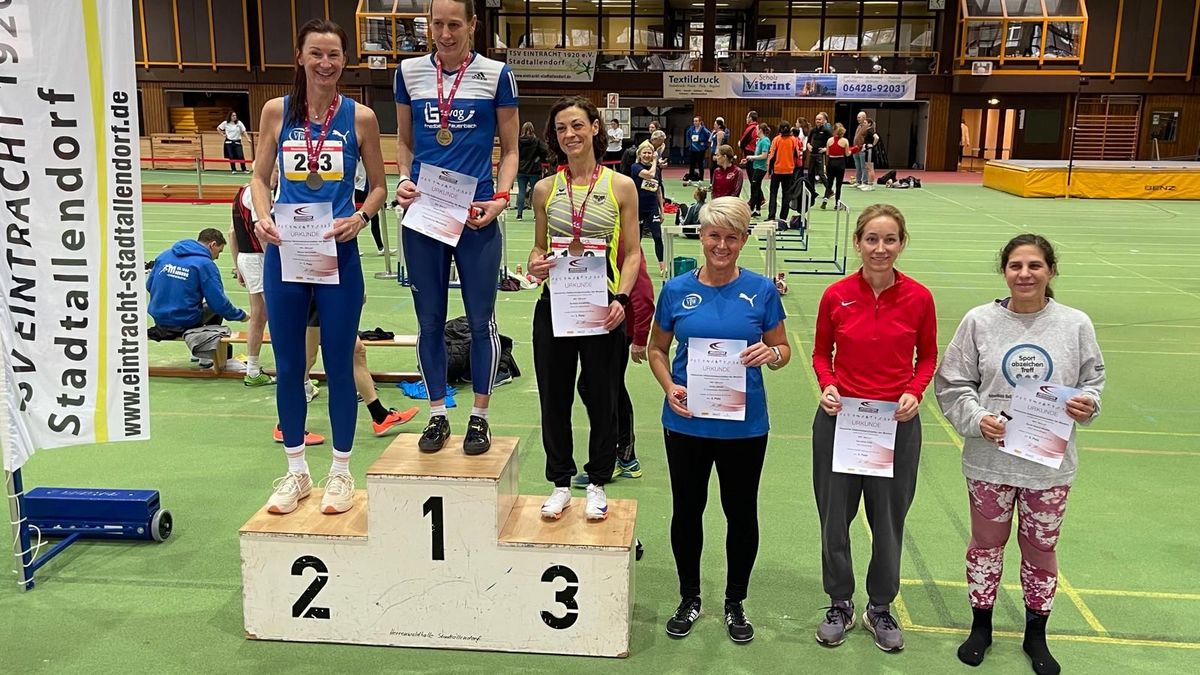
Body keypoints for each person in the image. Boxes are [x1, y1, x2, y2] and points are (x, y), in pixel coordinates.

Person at [935, 234, 1105, 675]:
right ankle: (981, 627)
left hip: (1049, 467)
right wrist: (977, 418)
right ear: (1004, 271)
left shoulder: (1075, 324)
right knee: (985, 547)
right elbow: (952, 382)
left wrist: (1088, 404)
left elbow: (1093, 382)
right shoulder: (978, 321)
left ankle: (1036, 634)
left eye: (1034, 265)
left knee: (1041, 549)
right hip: (989, 462)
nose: (1024, 274)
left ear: (1051, 270)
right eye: (1015, 265)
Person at [250, 18, 389, 516]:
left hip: (338, 254)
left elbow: (379, 186)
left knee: (339, 364)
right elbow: (260, 177)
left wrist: (361, 217)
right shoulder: (276, 111)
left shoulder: (361, 118)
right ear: (300, 57)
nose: (325, 63)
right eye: (316, 53)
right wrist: (262, 216)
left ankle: (341, 471)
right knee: (289, 366)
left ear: (344, 60)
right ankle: (296, 471)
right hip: (286, 252)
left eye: (333, 54)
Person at [647, 196, 790, 644]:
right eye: (714, 235)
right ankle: (689, 598)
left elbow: (783, 349)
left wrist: (771, 354)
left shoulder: (762, 291)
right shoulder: (675, 291)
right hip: (687, 422)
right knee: (687, 511)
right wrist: (669, 387)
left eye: (732, 237)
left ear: (744, 240)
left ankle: (735, 602)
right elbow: (656, 349)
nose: (722, 245)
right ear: (701, 236)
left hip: (744, 426)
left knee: (741, 513)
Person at [394, 0, 520, 456]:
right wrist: (403, 179)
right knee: (429, 323)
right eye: (437, 24)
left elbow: (510, 150)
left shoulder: (497, 74)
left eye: (454, 25)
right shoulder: (408, 72)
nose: (445, 34)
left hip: (476, 217)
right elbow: (405, 143)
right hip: (425, 216)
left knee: (482, 321)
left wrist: (500, 198)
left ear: (472, 24)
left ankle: (480, 418)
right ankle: (437, 415)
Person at [811, 204, 937, 653]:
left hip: (896, 425)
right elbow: (821, 352)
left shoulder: (919, 297)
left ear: (902, 243)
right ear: (858, 242)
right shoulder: (836, 295)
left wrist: (915, 391)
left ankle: (880, 606)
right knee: (834, 520)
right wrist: (827, 385)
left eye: (889, 239)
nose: (880, 248)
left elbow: (929, 356)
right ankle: (840, 602)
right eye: (871, 239)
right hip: (840, 421)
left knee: (887, 522)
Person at [526, 96, 642, 522]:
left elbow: (633, 252)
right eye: (561, 128)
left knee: (602, 398)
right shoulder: (545, 189)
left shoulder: (620, 186)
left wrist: (622, 299)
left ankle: (597, 482)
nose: (569, 134)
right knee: (553, 399)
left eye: (577, 125)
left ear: (595, 127)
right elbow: (538, 248)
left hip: (602, 308)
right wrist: (535, 264)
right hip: (554, 307)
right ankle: (560, 483)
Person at [146, 228, 249, 369]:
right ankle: (205, 353)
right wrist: (240, 315)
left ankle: (199, 350)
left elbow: (149, 285)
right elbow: (219, 303)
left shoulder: (165, 255)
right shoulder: (205, 264)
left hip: (159, 318)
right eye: (219, 252)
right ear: (212, 245)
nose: (217, 257)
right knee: (214, 307)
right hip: (184, 320)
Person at [229, 182, 274, 386]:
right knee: (279, 317)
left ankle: (253, 370)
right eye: (276, 171)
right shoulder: (258, 194)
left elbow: (232, 232)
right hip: (260, 259)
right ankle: (294, 375)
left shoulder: (240, 193)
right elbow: (261, 233)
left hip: (247, 258)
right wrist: (276, 263)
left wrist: (238, 265)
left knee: (258, 315)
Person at [632, 144, 666, 275]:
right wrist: (656, 161)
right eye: (644, 153)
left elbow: (658, 190)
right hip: (638, 208)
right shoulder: (636, 167)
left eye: (649, 153)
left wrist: (662, 210)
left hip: (652, 208)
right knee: (637, 238)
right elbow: (649, 175)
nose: (647, 155)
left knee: (657, 236)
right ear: (639, 155)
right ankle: (635, 264)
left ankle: (662, 266)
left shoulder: (656, 170)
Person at [765, 122, 800, 222]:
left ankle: (771, 216)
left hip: (777, 171)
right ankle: (783, 217)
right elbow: (797, 154)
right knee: (786, 194)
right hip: (789, 171)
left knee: (773, 193)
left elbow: (772, 156)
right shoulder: (793, 140)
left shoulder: (776, 139)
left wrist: (769, 170)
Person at [516, 121, 549, 220]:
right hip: (534, 170)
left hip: (521, 169)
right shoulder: (537, 141)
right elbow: (545, 151)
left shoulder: (518, 141)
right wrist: (538, 159)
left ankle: (519, 215)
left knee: (521, 191)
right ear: (533, 130)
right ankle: (536, 215)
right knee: (535, 193)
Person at [353, 160, 387, 255]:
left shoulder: (369, 161)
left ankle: (381, 248)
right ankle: (356, 248)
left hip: (368, 192)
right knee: (355, 221)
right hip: (359, 192)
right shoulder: (358, 160)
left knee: (375, 220)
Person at [804, 112, 832, 206]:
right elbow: (808, 140)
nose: (817, 121)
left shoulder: (826, 130)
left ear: (823, 121)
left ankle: (829, 190)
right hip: (812, 154)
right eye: (816, 119)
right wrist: (808, 145)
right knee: (810, 173)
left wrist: (825, 149)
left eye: (819, 119)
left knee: (821, 173)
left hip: (820, 155)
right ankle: (812, 191)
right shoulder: (813, 130)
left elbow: (831, 142)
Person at [745, 122, 772, 219]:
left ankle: (752, 209)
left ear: (760, 130)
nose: (755, 131)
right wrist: (749, 159)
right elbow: (758, 154)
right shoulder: (760, 140)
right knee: (756, 187)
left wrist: (752, 157)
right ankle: (757, 210)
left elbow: (764, 155)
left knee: (754, 187)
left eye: (756, 129)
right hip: (756, 166)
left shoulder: (765, 141)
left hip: (761, 168)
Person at [822, 123, 850, 210]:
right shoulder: (845, 141)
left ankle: (825, 199)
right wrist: (853, 151)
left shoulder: (829, 140)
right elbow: (847, 154)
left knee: (829, 183)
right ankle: (837, 204)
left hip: (831, 162)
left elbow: (827, 153)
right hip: (840, 162)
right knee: (838, 184)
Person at [684, 115, 711, 185]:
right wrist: (690, 143)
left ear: (700, 122)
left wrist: (704, 144)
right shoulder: (691, 129)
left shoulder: (704, 130)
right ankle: (690, 179)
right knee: (692, 164)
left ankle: (701, 179)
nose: (695, 122)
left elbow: (709, 137)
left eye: (696, 121)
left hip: (700, 150)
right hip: (692, 149)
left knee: (700, 164)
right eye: (694, 121)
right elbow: (688, 135)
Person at [859, 119, 879, 191]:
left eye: (865, 123)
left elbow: (876, 137)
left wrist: (873, 145)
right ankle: (868, 184)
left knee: (870, 168)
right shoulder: (867, 130)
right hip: (867, 150)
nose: (863, 124)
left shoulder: (870, 130)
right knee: (868, 168)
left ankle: (870, 185)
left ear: (869, 124)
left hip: (870, 150)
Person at [851, 111, 869, 187]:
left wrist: (864, 146)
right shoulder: (859, 126)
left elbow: (868, 138)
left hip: (862, 149)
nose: (857, 119)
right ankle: (858, 181)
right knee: (858, 166)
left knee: (863, 166)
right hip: (856, 149)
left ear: (864, 118)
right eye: (857, 117)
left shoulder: (867, 126)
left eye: (859, 117)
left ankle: (864, 182)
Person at [707, 116, 727, 184]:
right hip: (713, 152)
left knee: (714, 168)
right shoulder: (715, 133)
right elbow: (709, 140)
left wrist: (717, 155)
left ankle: (716, 183)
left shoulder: (720, 133)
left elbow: (719, 144)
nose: (714, 126)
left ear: (719, 126)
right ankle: (712, 183)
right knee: (712, 169)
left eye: (715, 124)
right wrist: (713, 132)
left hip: (716, 153)